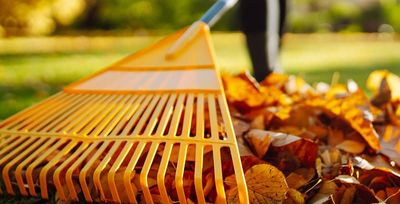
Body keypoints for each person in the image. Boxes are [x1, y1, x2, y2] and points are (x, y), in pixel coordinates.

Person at [239, 0, 287, 82]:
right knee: (261, 71)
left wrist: (282, 30)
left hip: (265, 26)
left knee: (267, 72)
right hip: (253, 25)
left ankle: (272, 86)